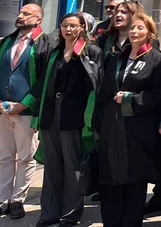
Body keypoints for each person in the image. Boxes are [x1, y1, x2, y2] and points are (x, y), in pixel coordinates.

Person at [31, 13, 103, 227]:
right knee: (52, 166)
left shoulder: (91, 51)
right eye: (64, 26)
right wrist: (36, 116)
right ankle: (49, 212)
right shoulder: (54, 52)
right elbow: (43, 84)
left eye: (73, 26)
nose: (68, 30)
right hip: (51, 113)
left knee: (73, 166)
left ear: (82, 27)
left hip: (75, 115)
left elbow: (96, 85)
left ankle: (70, 214)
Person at [95, 13, 161, 227]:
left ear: (150, 33)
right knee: (110, 177)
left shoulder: (155, 59)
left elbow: (158, 93)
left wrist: (131, 99)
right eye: (132, 28)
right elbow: (104, 90)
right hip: (112, 125)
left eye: (140, 28)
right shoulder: (117, 57)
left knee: (134, 179)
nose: (135, 32)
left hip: (138, 128)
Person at [0, 5, 49, 220]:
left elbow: (45, 79)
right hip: (3, 109)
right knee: (4, 156)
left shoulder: (45, 43)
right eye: (20, 13)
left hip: (26, 111)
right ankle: (3, 199)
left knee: (25, 157)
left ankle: (17, 199)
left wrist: (25, 103)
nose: (20, 16)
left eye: (26, 14)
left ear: (38, 19)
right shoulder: (7, 42)